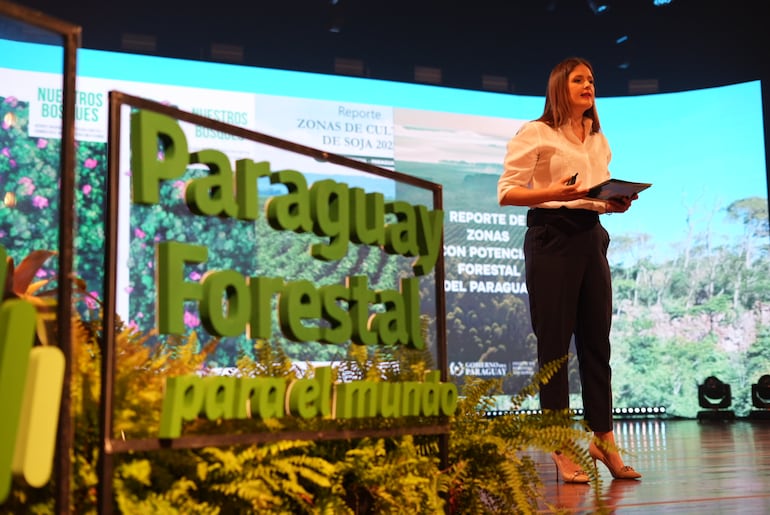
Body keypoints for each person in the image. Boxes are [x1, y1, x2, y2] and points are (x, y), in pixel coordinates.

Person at [497, 57, 642, 483]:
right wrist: (554, 192)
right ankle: (560, 446)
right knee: (555, 349)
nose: (588, 85)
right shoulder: (536, 132)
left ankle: (604, 442)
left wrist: (612, 203)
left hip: (590, 235)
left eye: (592, 79)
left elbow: (593, 195)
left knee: (597, 345)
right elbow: (508, 192)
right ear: (560, 87)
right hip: (551, 237)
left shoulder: (597, 138)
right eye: (579, 79)